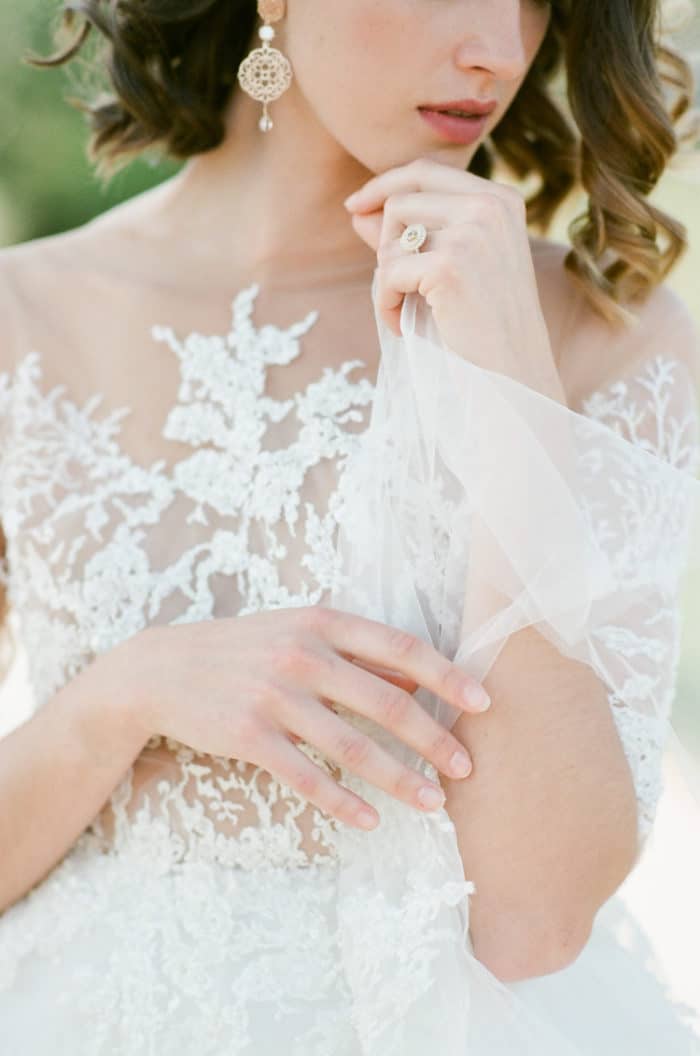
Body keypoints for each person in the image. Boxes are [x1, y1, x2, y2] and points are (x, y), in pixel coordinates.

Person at [0, 0, 699, 1052]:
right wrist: (123, 696)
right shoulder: (25, 323)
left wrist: (505, 379)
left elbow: (536, 917)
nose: (500, 50)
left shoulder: (603, 334)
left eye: (536, 0)